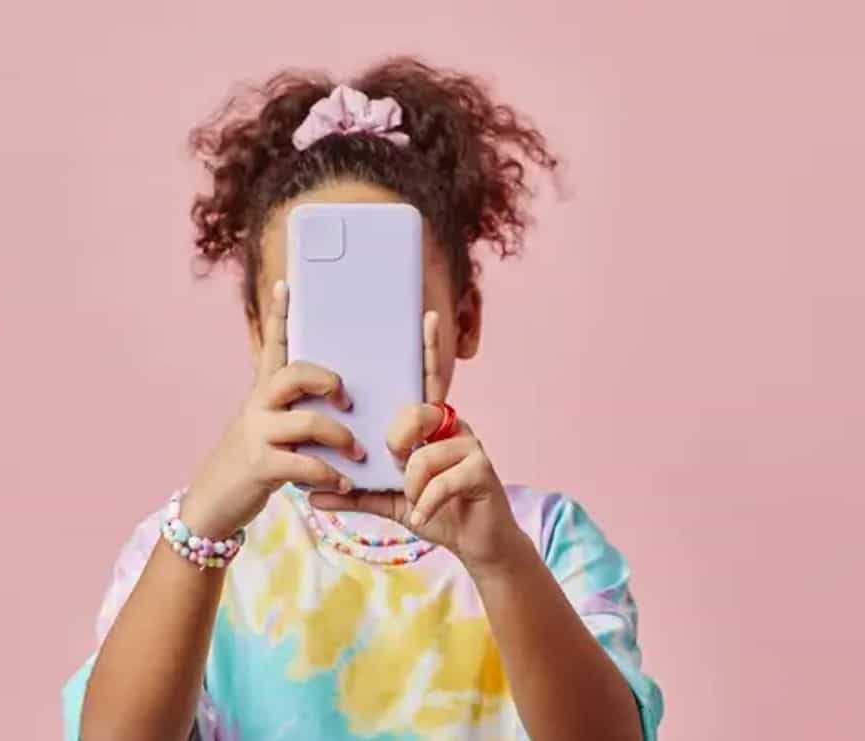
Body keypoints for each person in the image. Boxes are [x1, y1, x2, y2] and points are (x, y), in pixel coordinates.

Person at [62, 56, 664, 741]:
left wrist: (501, 564)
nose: (351, 337)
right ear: (260, 332)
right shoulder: (188, 547)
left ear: (464, 320)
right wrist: (203, 525)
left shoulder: (544, 542)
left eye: (386, 298)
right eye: (318, 308)